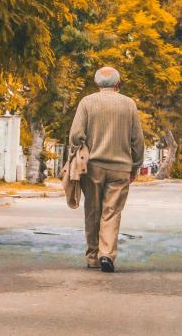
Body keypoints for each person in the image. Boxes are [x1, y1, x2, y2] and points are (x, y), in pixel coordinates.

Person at [68, 67, 145, 273]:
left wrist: (81, 148)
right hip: (120, 168)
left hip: (92, 166)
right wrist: (135, 165)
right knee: (111, 212)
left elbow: (76, 135)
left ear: (97, 84)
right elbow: (137, 140)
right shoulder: (129, 104)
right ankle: (107, 254)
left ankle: (93, 256)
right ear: (118, 84)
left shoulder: (87, 102)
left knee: (92, 209)